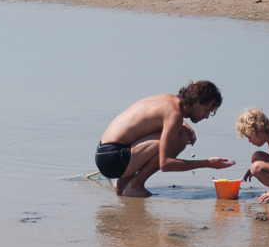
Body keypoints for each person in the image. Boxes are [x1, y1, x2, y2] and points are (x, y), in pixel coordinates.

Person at [95, 80, 235, 197]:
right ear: (197, 99)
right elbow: (166, 164)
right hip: (112, 160)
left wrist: (184, 125)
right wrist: (207, 163)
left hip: (104, 153)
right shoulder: (174, 115)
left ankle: (123, 183)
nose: (206, 116)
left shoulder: (169, 99)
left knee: (179, 134)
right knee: (180, 138)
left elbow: (162, 116)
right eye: (207, 110)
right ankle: (134, 186)